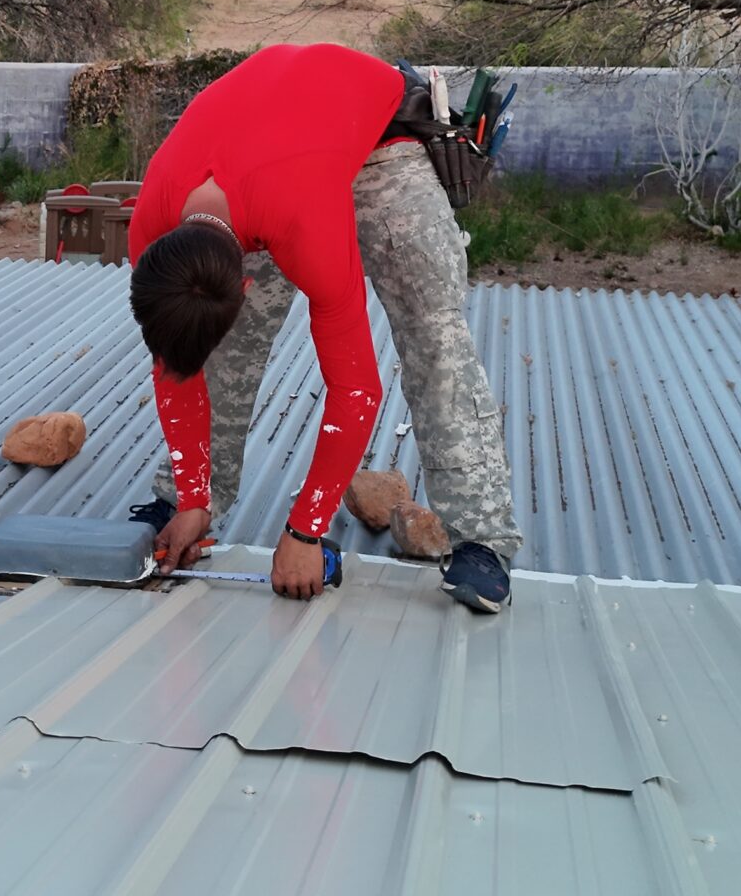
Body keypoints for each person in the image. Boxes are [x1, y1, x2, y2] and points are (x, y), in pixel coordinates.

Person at [124, 43, 522, 612]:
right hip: (276, 154)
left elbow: (356, 387)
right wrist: (191, 495)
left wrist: (306, 528)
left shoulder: (304, 224)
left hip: (381, 145)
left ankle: (482, 539)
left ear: (246, 282)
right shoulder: (152, 234)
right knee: (211, 339)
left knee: (433, 334)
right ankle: (190, 503)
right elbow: (173, 361)